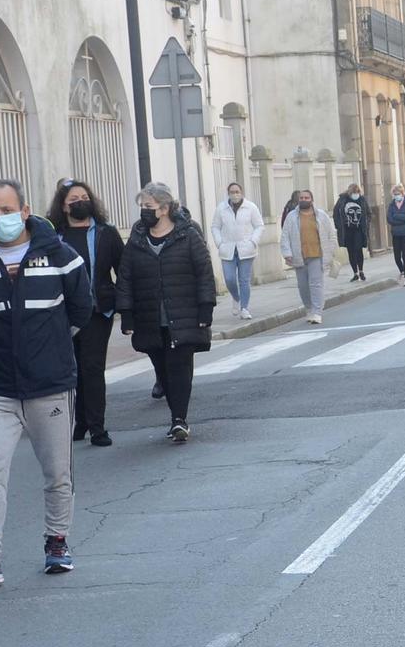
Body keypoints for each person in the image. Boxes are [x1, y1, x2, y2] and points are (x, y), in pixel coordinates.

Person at [0, 179, 92, 587]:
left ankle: (57, 542)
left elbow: (82, 308)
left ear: (25, 210)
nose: (0, 219)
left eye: (7, 210)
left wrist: (49, 347)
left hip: (51, 385)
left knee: (57, 473)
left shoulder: (60, 256)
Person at [118, 181, 217, 445]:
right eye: (142, 207)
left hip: (183, 314)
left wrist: (205, 308)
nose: (144, 211)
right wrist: (126, 313)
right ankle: (176, 414)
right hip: (150, 317)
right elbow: (125, 276)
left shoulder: (187, 235)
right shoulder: (137, 238)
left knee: (179, 367)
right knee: (162, 367)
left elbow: (204, 272)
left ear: (163, 209)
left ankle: (179, 419)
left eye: (148, 206)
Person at [49, 179, 123, 447]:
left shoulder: (106, 233)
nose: (80, 202)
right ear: (64, 207)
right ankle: (77, 422)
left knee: (92, 368)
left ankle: (97, 427)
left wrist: (124, 307)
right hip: (61, 315)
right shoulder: (53, 237)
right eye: (73, 199)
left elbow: (123, 270)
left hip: (96, 312)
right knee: (71, 370)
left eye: (84, 197)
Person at [208, 180, 265, 319]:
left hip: (246, 248)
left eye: (237, 192)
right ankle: (236, 297)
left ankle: (244, 308)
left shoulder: (250, 207)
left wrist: (253, 241)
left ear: (242, 193)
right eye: (232, 192)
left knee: (244, 280)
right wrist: (219, 242)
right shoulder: (221, 208)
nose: (235, 194)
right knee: (229, 279)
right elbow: (215, 226)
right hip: (227, 248)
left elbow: (259, 226)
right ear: (228, 194)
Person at [281, 188, 338, 324]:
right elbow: (285, 236)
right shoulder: (291, 217)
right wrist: (287, 253)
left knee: (316, 284)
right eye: (301, 198)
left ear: (312, 200)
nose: (304, 200)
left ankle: (317, 312)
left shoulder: (321, 216)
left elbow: (331, 234)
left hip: (317, 254)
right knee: (303, 286)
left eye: (306, 198)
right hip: (298, 256)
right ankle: (309, 308)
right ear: (298, 200)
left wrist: (331, 252)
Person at [336, 183, 370, 282]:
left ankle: (361, 271)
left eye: (357, 192)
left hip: (359, 230)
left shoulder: (362, 200)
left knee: (359, 250)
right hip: (347, 231)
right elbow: (336, 212)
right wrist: (338, 225)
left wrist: (366, 224)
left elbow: (368, 213)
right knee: (351, 251)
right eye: (354, 192)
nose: (356, 194)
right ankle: (355, 273)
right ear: (350, 192)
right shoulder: (343, 200)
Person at [387, 182, 405, 285]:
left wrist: (396, 216)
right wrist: (400, 218)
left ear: (402, 193)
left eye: (398, 193)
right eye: (395, 194)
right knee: (396, 256)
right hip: (396, 234)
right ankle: (402, 271)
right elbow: (389, 219)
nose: (397, 196)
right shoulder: (391, 205)